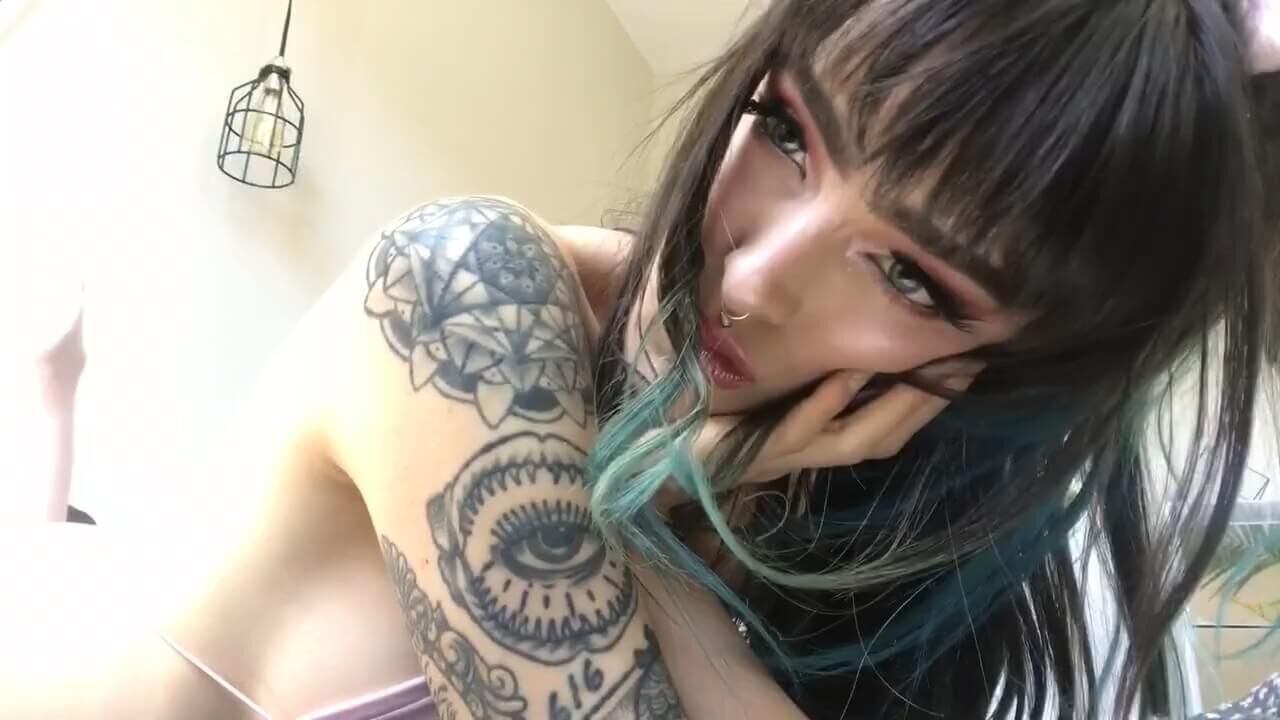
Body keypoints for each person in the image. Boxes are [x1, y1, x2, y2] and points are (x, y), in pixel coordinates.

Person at [2, 2, 1279, 719]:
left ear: (1008, 371)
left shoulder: (854, 577)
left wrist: (666, 532)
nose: (754, 276)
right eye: (786, 130)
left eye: (909, 277)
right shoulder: (464, 298)